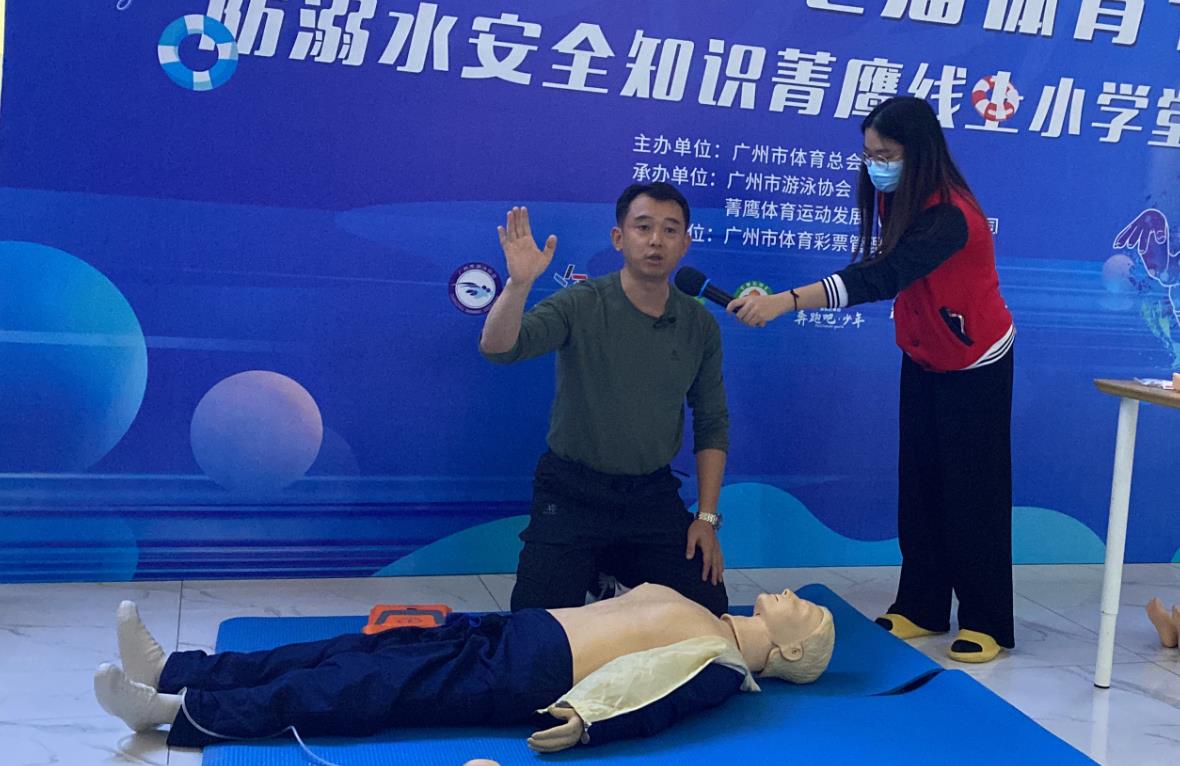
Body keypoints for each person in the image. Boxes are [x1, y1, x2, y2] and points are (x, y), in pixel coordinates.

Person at [727, 96, 1015, 663]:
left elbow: (881, 276)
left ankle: (985, 618)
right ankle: (922, 606)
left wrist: (786, 301)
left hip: (976, 359)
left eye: (886, 154)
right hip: (924, 353)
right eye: (869, 154)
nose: (875, 165)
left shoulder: (952, 215)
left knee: (972, 492)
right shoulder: (896, 196)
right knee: (920, 482)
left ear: (919, 152)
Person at [94, 587, 835, 752]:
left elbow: (652, 698)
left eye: (805, 613)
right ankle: (179, 670)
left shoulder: (719, 665)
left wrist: (588, 721)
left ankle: (181, 715)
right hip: (512, 633)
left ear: (791, 652)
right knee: (349, 649)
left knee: (357, 686)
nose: (796, 599)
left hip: (526, 675)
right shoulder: (708, 613)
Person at [480, 183, 731, 615]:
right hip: (572, 491)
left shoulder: (699, 325)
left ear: (685, 244)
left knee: (707, 611)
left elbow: (712, 422)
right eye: (643, 227)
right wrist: (519, 285)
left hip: (651, 496)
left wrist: (705, 520)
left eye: (670, 230)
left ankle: (608, 577)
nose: (656, 240)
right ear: (619, 238)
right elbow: (499, 348)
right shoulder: (582, 302)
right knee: (536, 629)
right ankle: (594, 572)